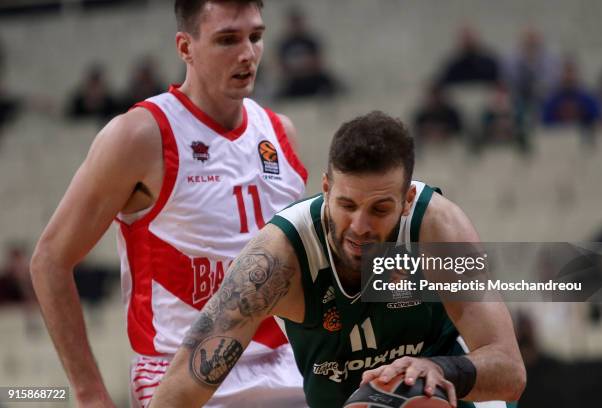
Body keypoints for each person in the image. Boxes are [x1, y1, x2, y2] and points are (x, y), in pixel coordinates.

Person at [30, 1, 308, 407]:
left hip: (286, 366)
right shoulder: (139, 135)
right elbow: (50, 260)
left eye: (256, 36)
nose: (247, 52)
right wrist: (90, 395)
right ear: (185, 47)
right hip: (182, 375)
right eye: (227, 39)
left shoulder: (280, 132)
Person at [150, 111, 526, 408]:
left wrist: (438, 367)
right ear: (326, 188)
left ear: (407, 200)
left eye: (380, 208)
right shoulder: (279, 258)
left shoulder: (436, 229)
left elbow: (510, 370)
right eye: (347, 205)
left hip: (453, 398)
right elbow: (186, 382)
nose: (360, 227)